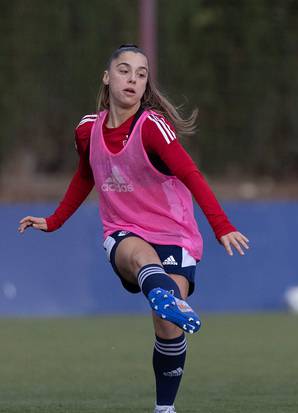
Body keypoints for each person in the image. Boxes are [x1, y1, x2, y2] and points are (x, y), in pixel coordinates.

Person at [17, 44, 249, 413]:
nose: (133, 79)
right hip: (123, 229)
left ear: (145, 86)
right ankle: (163, 294)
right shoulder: (86, 129)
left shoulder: (153, 128)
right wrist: (54, 220)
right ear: (107, 78)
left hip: (175, 233)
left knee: (167, 327)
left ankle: (164, 408)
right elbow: (85, 176)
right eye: (124, 71)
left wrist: (221, 225)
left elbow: (190, 174)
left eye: (141, 74)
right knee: (139, 255)